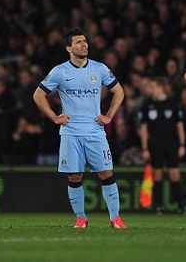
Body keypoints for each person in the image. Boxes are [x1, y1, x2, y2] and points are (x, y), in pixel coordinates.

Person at [33, 28, 127, 229]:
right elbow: (38, 95)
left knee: (106, 173)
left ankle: (115, 218)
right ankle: (81, 218)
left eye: (85, 41)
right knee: (74, 176)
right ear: (69, 48)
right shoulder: (59, 72)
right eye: (79, 42)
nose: (84, 45)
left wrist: (109, 115)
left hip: (95, 131)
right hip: (71, 132)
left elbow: (119, 92)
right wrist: (54, 117)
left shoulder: (99, 69)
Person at [139, 77, 186, 214]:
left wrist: (182, 145)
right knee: (157, 175)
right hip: (155, 142)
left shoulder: (172, 103)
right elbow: (144, 128)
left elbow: (179, 125)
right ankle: (159, 205)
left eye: (152, 87)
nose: (150, 90)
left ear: (160, 87)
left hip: (171, 142)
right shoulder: (147, 104)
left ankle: (182, 205)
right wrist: (144, 148)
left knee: (174, 174)